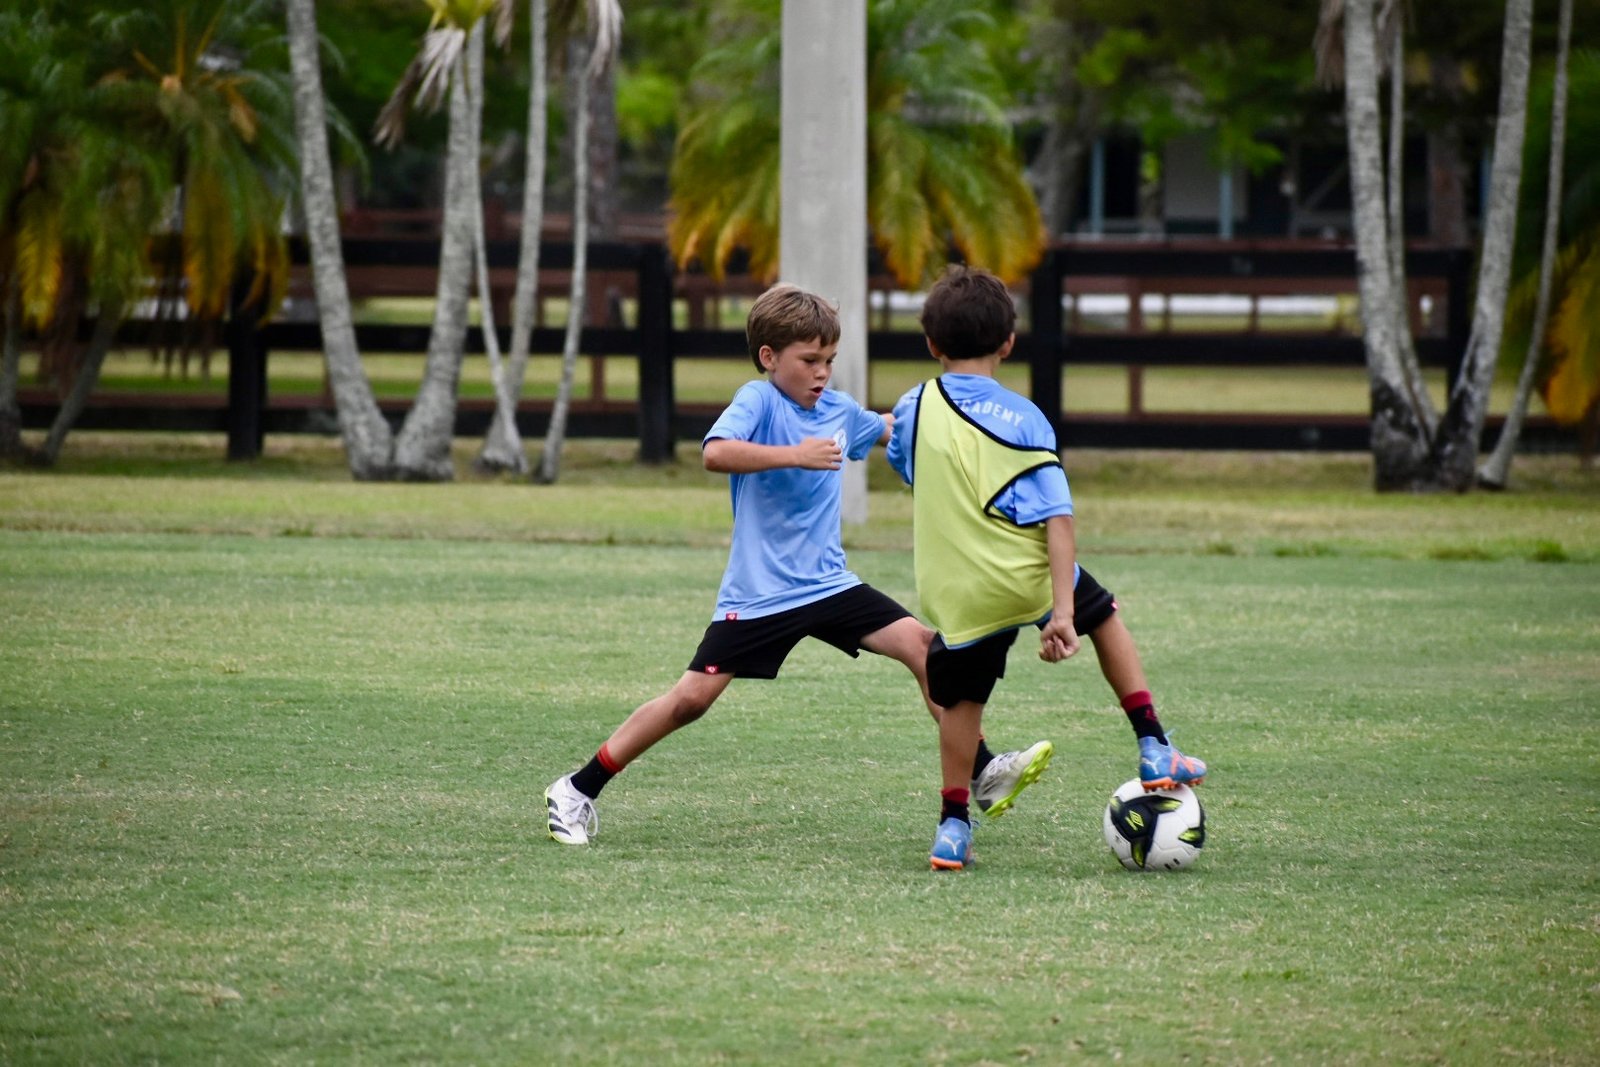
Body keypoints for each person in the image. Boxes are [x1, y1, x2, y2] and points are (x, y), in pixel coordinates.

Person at [544, 283, 1054, 846]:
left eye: (829, 361)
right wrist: (795, 454)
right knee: (691, 701)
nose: (822, 374)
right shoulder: (758, 401)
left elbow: (892, 430)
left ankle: (979, 769)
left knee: (924, 648)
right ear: (770, 358)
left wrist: (962, 433)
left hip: (829, 585)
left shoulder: (837, 410)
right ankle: (576, 788)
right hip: (760, 594)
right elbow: (715, 452)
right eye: (809, 361)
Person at [885, 265, 1207, 872]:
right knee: (1103, 615)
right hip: (1025, 575)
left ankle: (952, 830)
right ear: (1009, 343)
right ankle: (1154, 745)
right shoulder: (1025, 418)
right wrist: (1062, 613)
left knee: (961, 705)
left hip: (958, 593)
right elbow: (1057, 517)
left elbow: (905, 465)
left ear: (931, 344)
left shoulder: (915, 403)